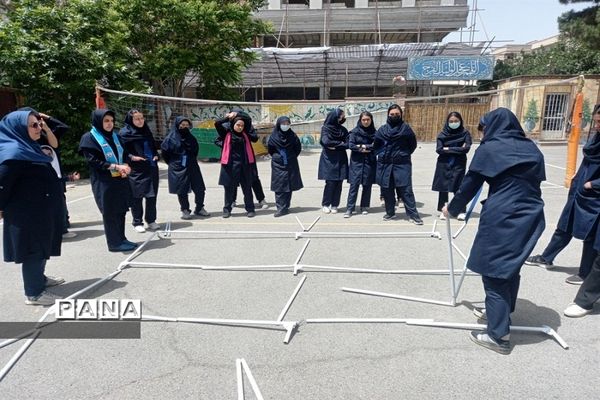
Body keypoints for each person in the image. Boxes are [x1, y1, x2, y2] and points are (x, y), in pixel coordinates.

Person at [443, 108, 546, 355]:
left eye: (485, 129)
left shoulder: (490, 150)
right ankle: (500, 312)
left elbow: (470, 185)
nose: (483, 134)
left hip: (505, 217)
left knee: (495, 272)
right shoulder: (532, 148)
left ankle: (498, 335)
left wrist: (452, 208)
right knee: (511, 267)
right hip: (532, 214)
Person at [526, 104, 600, 285]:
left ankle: (585, 274)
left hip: (594, 196)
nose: (597, 125)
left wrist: (592, 184)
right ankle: (546, 257)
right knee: (564, 225)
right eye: (596, 121)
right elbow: (590, 161)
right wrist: (579, 176)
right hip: (579, 191)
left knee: (590, 235)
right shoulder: (597, 137)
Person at [0, 110, 65, 305]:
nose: (39, 128)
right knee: (33, 249)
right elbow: (2, 184)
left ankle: (39, 278)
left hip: (41, 208)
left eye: (38, 124)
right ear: (18, 128)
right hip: (27, 213)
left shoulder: (29, 146)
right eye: (33, 125)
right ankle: (34, 293)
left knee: (42, 246)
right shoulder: (13, 153)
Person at [79, 109, 137, 252]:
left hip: (119, 179)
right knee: (110, 212)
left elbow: (123, 155)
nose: (110, 124)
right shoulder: (89, 138)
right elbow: (93, 161)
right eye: (106, 121)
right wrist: (116, 166)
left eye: (111, 121)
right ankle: (114, 243)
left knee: (121, 210)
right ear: (98, 121)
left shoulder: (115, 137)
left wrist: (125, 166)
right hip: (104, 181)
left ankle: (121, 238)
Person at [373, 104, 423, 224]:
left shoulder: (406, 129)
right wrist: (384, 154)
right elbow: (376, 145)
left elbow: (412, 145)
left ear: (401, 115)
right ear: (388, 115)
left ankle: (413, 215)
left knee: (406, 189)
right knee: (387, 189)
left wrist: (402, 154)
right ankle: (390, 213)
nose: (394, 116)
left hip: (402, 164)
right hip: (385, 164)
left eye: (397, 114)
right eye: (392, 114)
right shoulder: (382, 130)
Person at [161, 116, 210, 220]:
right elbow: (165, 153)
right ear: (177, 125)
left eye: (187, 125)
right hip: (178, 166)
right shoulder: (170, 139)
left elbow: (195, 150)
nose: (185, 127)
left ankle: (200, 208)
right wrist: (173, 163)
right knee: (182, 190)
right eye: (182, 125)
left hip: (192, 165)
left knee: (200, 188)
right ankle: (185, 210)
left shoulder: (191, 138)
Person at [119, 109, 160, 232]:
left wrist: (156, 155)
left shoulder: (146, 131)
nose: (140, 121)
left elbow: (152, 146)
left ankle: (151, 220)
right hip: (136, 169)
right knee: (137, 196)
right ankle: (137, 222)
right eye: (137, 119)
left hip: (151, 167)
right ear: (131, 120)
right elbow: (122, 152)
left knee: (152, 196)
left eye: (142, 118)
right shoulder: (124, 133)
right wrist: (132, 157)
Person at [224, 108, 269, 210]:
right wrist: (226, 146)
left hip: (247, 157)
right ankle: (232, 200)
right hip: (232, 159)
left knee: (253, 178)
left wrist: (244, 132)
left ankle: (261, 199)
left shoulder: (246, 126)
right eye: (234, 115)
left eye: (238, 115)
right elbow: (218, 140)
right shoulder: (226, 126)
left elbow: (254, 138)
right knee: (232, 179)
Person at [432, 111, 472, 221]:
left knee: (459, 187)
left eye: (456, 121)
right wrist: (459, 149)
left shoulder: (465, 133)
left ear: (460, 121)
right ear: (447, 122)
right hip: (444, 164)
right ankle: (443, 210)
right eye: (451, 121)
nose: (453, 123)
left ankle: (461, 210)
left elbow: (466, 149)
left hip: (458, 164)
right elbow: (439, 149)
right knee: (443, 188)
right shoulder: (442, 134)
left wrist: (448, 148)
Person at [215, 114, 256, 218]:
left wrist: (238, 114)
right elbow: (217, 123)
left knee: (247, 188)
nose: (240, 127)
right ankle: (227, 210)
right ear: (233, 124)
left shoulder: (245, 134)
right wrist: (228, 117)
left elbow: (248, 119)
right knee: (229, 189)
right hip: (230, 166)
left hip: (245, 165)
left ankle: (250, 209)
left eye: (242, 125)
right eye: (238, 125)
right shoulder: (226, 133)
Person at [267, 116, 303, 217]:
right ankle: (280, 208)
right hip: (278, 163)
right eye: (284, 124)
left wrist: (290, 156)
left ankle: (286, 206)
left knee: (289, 184)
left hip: (291, 162)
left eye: (287, 124)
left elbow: (298, 148)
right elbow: (270, 149)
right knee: (279, 186)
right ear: (279, 124)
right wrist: (278, 157)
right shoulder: (274, 136)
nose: (285, 126)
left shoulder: (293, 136)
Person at [345, 111, 377, 217]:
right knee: (354, 185)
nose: (366, 122)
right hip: (356, 162)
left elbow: (376, 145)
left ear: (371, 120)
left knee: (367, 185)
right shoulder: (355, 132)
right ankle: (350, 208)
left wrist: (363, 146)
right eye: (364, 120)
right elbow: (351, 145)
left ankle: (364, 206)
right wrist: (362, 148)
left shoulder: (374, 132)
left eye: (368, 119)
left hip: (369, 162)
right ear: (360, 120)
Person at [318, 108, 349, 214]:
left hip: (341, 158)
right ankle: (326, 204)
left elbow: (348, 143)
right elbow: (326, 141)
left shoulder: (343, 130)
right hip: (329, 160)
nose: (343, 118)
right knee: (330, 182)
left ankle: (335, 204)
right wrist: (340, 144)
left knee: (339, 182)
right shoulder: (325, 128)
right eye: (341, 116)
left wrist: (336, 146)